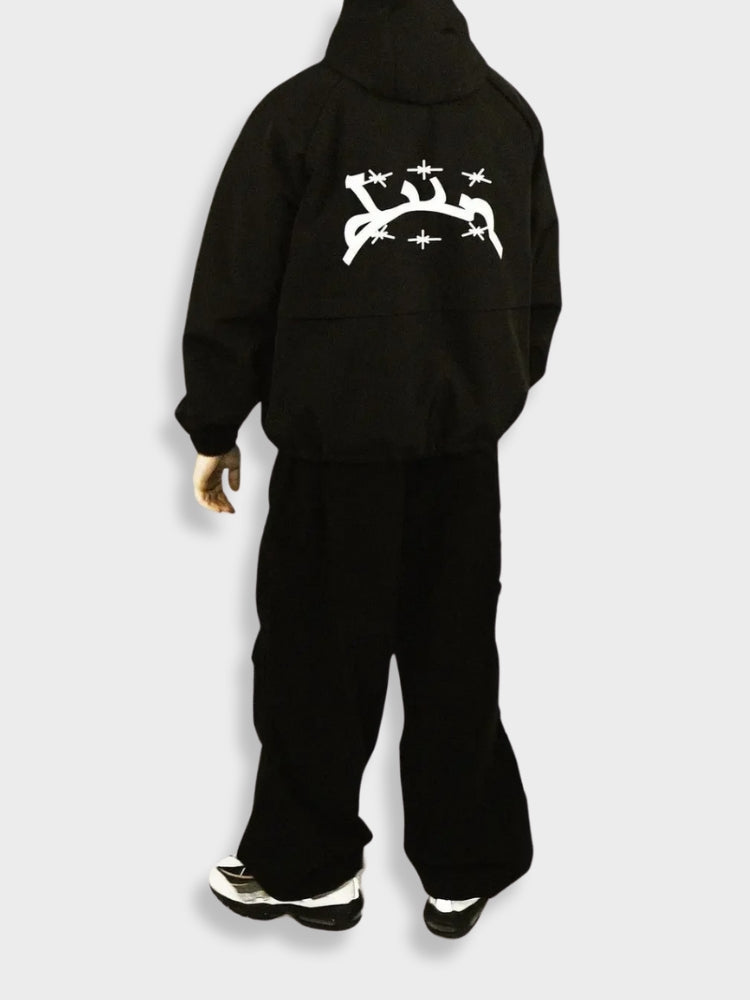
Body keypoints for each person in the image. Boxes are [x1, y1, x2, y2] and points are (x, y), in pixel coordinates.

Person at [174, 0, 561, 938]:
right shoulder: (506, 116)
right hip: (461, 456)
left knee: (313, 660)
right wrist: (486, 388)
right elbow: (538, 287)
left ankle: (310, 871)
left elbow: (236, 278)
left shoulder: (299, 116)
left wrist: (215, 422)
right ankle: (464, 866)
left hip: (335, 451)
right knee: (455, 654)